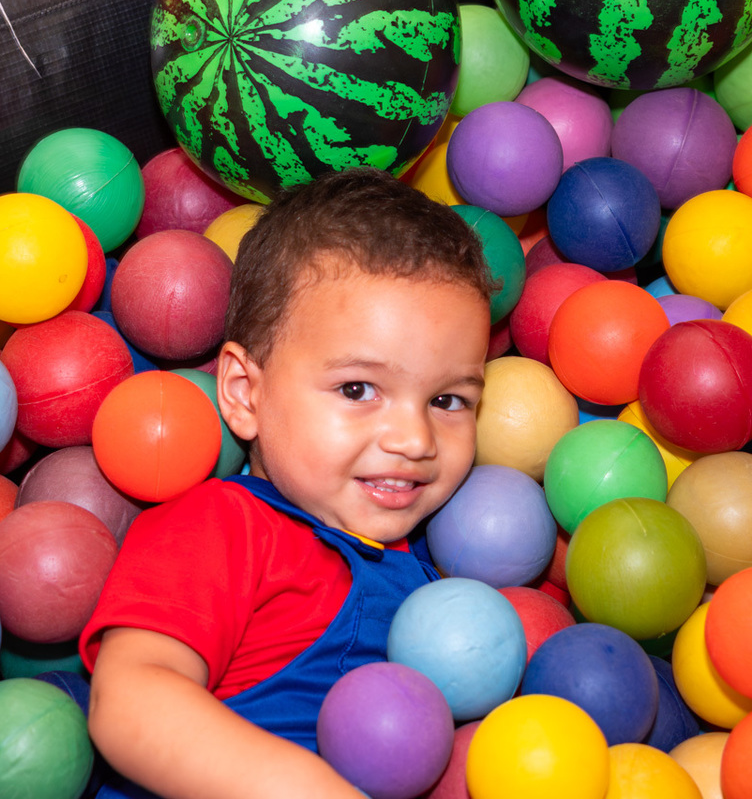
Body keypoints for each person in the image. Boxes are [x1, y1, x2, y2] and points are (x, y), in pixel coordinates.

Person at [79, 166, 495, 798]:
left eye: (448, 400)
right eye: (358, 389)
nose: (415, 440)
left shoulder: (437, 570)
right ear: (246, 392)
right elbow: (132, 701)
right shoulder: (222, 523)